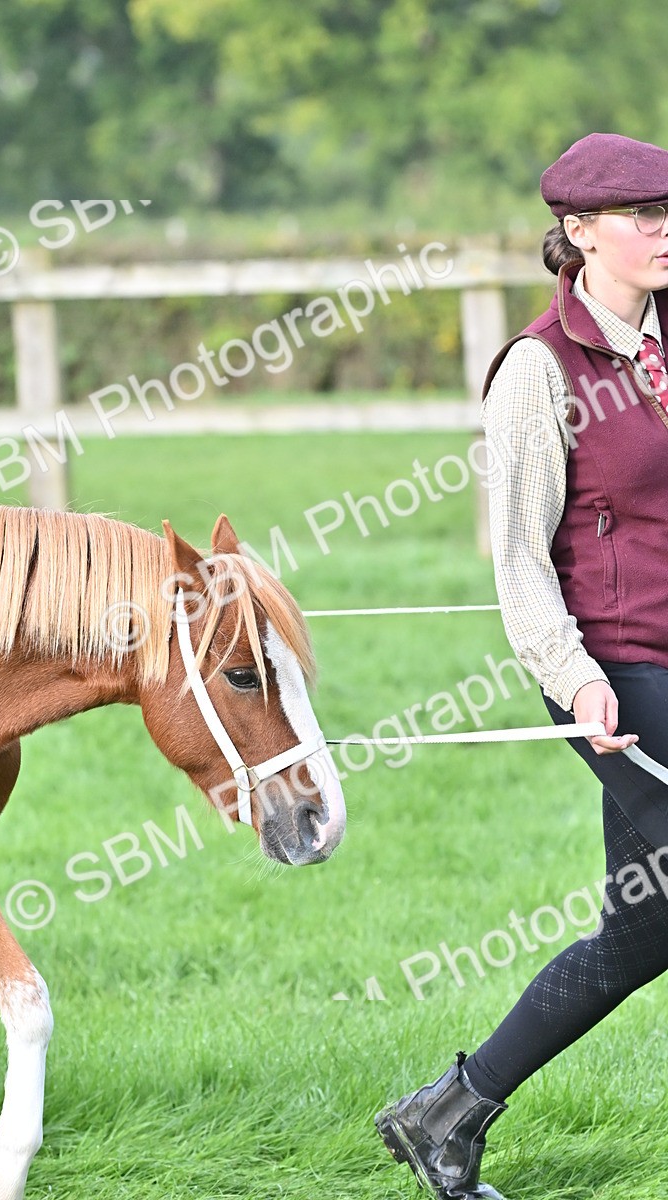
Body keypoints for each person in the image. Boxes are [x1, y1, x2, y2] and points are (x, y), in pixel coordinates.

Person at [374, 131, 668, 1199]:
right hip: (618, 675)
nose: (662, 229)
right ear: (579, 233)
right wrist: (573, 678)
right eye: (641, 214)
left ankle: (444, 1113)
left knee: (644, 929)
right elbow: (516, 561)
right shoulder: (536, 375)